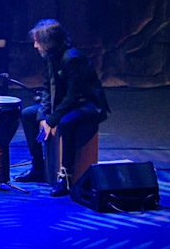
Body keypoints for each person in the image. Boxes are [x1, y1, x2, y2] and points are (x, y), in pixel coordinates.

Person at [14, 19, 110, 196]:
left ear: (48, 42)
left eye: (38, 41)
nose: (35, 46)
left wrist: (51, 119)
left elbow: (74, 96)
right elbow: (47, 88)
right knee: (28, 114)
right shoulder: (50, 57)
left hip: (86, 105)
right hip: (65, 103)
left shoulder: (72, 58)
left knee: (65, 122)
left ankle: (65, 177)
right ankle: (38, 167)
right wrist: (43, 115)